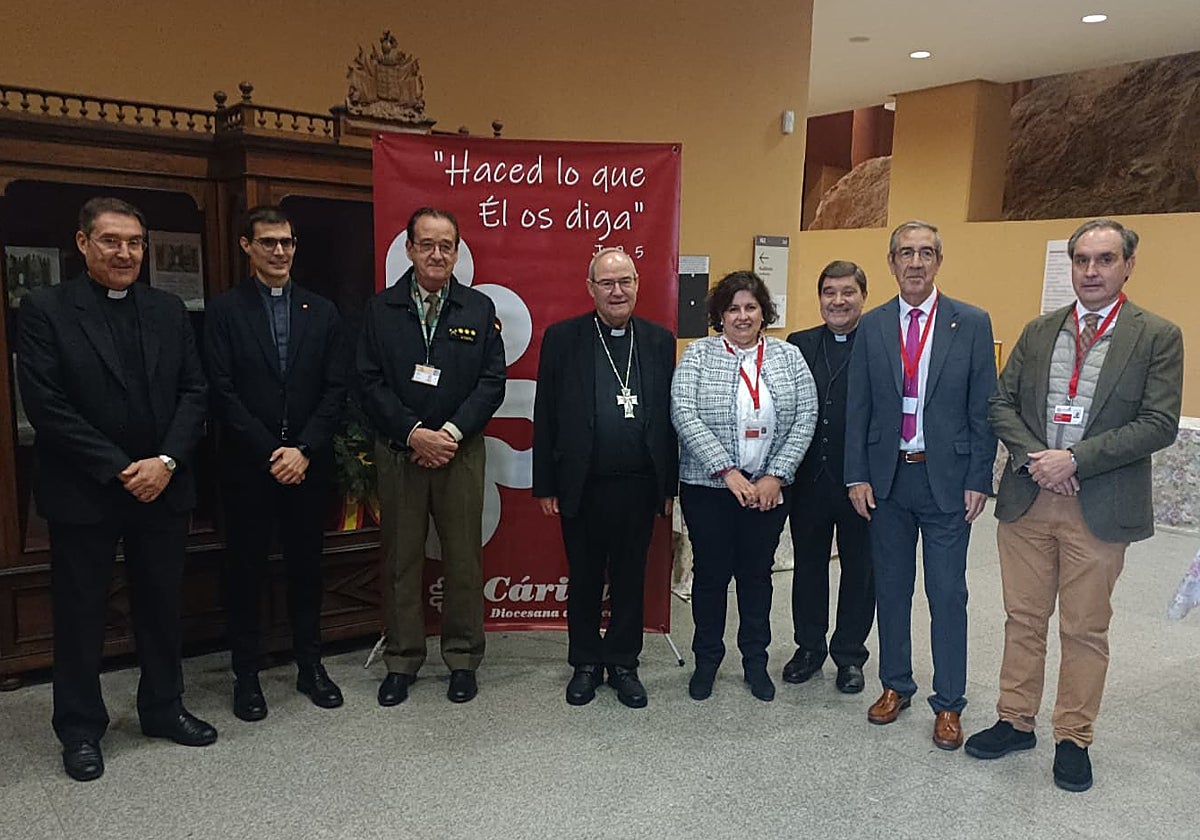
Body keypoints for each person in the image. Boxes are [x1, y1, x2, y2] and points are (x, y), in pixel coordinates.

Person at [965, 219, 1183, 792]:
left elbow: (1159, 423)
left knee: (1085, 628)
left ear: (1127, 265)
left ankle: (1073, 737)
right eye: (1082, 259)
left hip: (1099, 505)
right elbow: (1000, 402)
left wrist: (1076, 460)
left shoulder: (1157, 335)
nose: (1091, 271)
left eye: (1104, 259)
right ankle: (1015, 720)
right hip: (1030, 498)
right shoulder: (1039, 332)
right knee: (1023, 619)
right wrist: (1038, 456)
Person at [17, 197, 214, 782]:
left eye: (134, 242)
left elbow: (195, 392)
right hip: (86, 489)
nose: (124, 252)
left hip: (164, 486)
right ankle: (79, 728)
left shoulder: (168, 309)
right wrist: (122, 467)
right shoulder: (45, 309)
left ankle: (163, 707)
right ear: (83, 244)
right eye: (110, 240)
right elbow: (46, 407)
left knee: (160, 605)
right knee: (80, 613)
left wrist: (167, 461)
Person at [844, 220, 996, 751]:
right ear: (891, 262)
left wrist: (981, 476)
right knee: (891, 587)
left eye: (925, 253)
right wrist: (856, 474)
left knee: (947, 592)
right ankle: (896, 684)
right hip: (887, 480)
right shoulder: (874, 324)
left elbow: (984, 408)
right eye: (905, 253)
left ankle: (949, 703)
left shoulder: (971, 323)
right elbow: (857, 407)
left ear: (938, 261)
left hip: (947, 482)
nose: (915, 262)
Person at [204, 205, 350, 722]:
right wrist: (271, 451)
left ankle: (311, 666)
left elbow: (336, 389)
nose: (280, 252)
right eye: (268, 242)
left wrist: (303, 449)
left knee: (306, 569)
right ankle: (247, 674)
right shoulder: (223, 311)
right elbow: (220, 391)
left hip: (306, 466)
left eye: (287, 242)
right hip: (249, 466)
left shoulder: (322, 310)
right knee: (245, 571)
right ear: (246, 247)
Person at [357, 207, 506, 706]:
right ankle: (402, 659)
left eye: (447, 245)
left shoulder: (478, 309)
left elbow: (491, 382)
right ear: (409, 249)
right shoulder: (381, 308)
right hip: (400, 450)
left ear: (458, 252)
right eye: (427, 244)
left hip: (460, 451)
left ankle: (462, 659)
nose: (437, 254)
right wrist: (414, 432)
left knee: (463, 558)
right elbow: (369, 381)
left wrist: (451, 432)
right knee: (401, 558)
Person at [532, 247, 677, 708]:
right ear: (591, 288)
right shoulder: (563, 338)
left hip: (638, 484)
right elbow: (546, 415)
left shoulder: (658, 340)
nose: (618, 291)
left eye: (625, 281)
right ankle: (586, 663)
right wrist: (546, 484)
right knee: (586, 577)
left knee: (632, 577)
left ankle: (624, 663)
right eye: (607, 283)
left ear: (638, 284)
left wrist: (668, 485)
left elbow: (670, 419)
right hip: (583, 483)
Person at [671, 271, 817, 703]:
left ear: (763, 312)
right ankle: (707, 661)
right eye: (733, 308)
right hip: (709, 490)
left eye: (750, 306)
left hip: (769, 491)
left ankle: (755, 661)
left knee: (757, 577)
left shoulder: (789, 358)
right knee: (711, 576)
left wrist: (775, 475)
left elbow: (806, 416)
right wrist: (726, 471)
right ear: (720, 314)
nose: (742, 315)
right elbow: (684, 414)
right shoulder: (697, 357)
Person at [783, 260, 873, 694]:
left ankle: (850, 655)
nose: (838, 301)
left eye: (847, 292)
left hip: (861, 483)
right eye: (829, 292)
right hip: (809, 482)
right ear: (819, 298)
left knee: (860, 570)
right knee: (809, 568)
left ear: (862, 297)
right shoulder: (798, 345)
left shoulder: (879, 343)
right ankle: (809, 647)